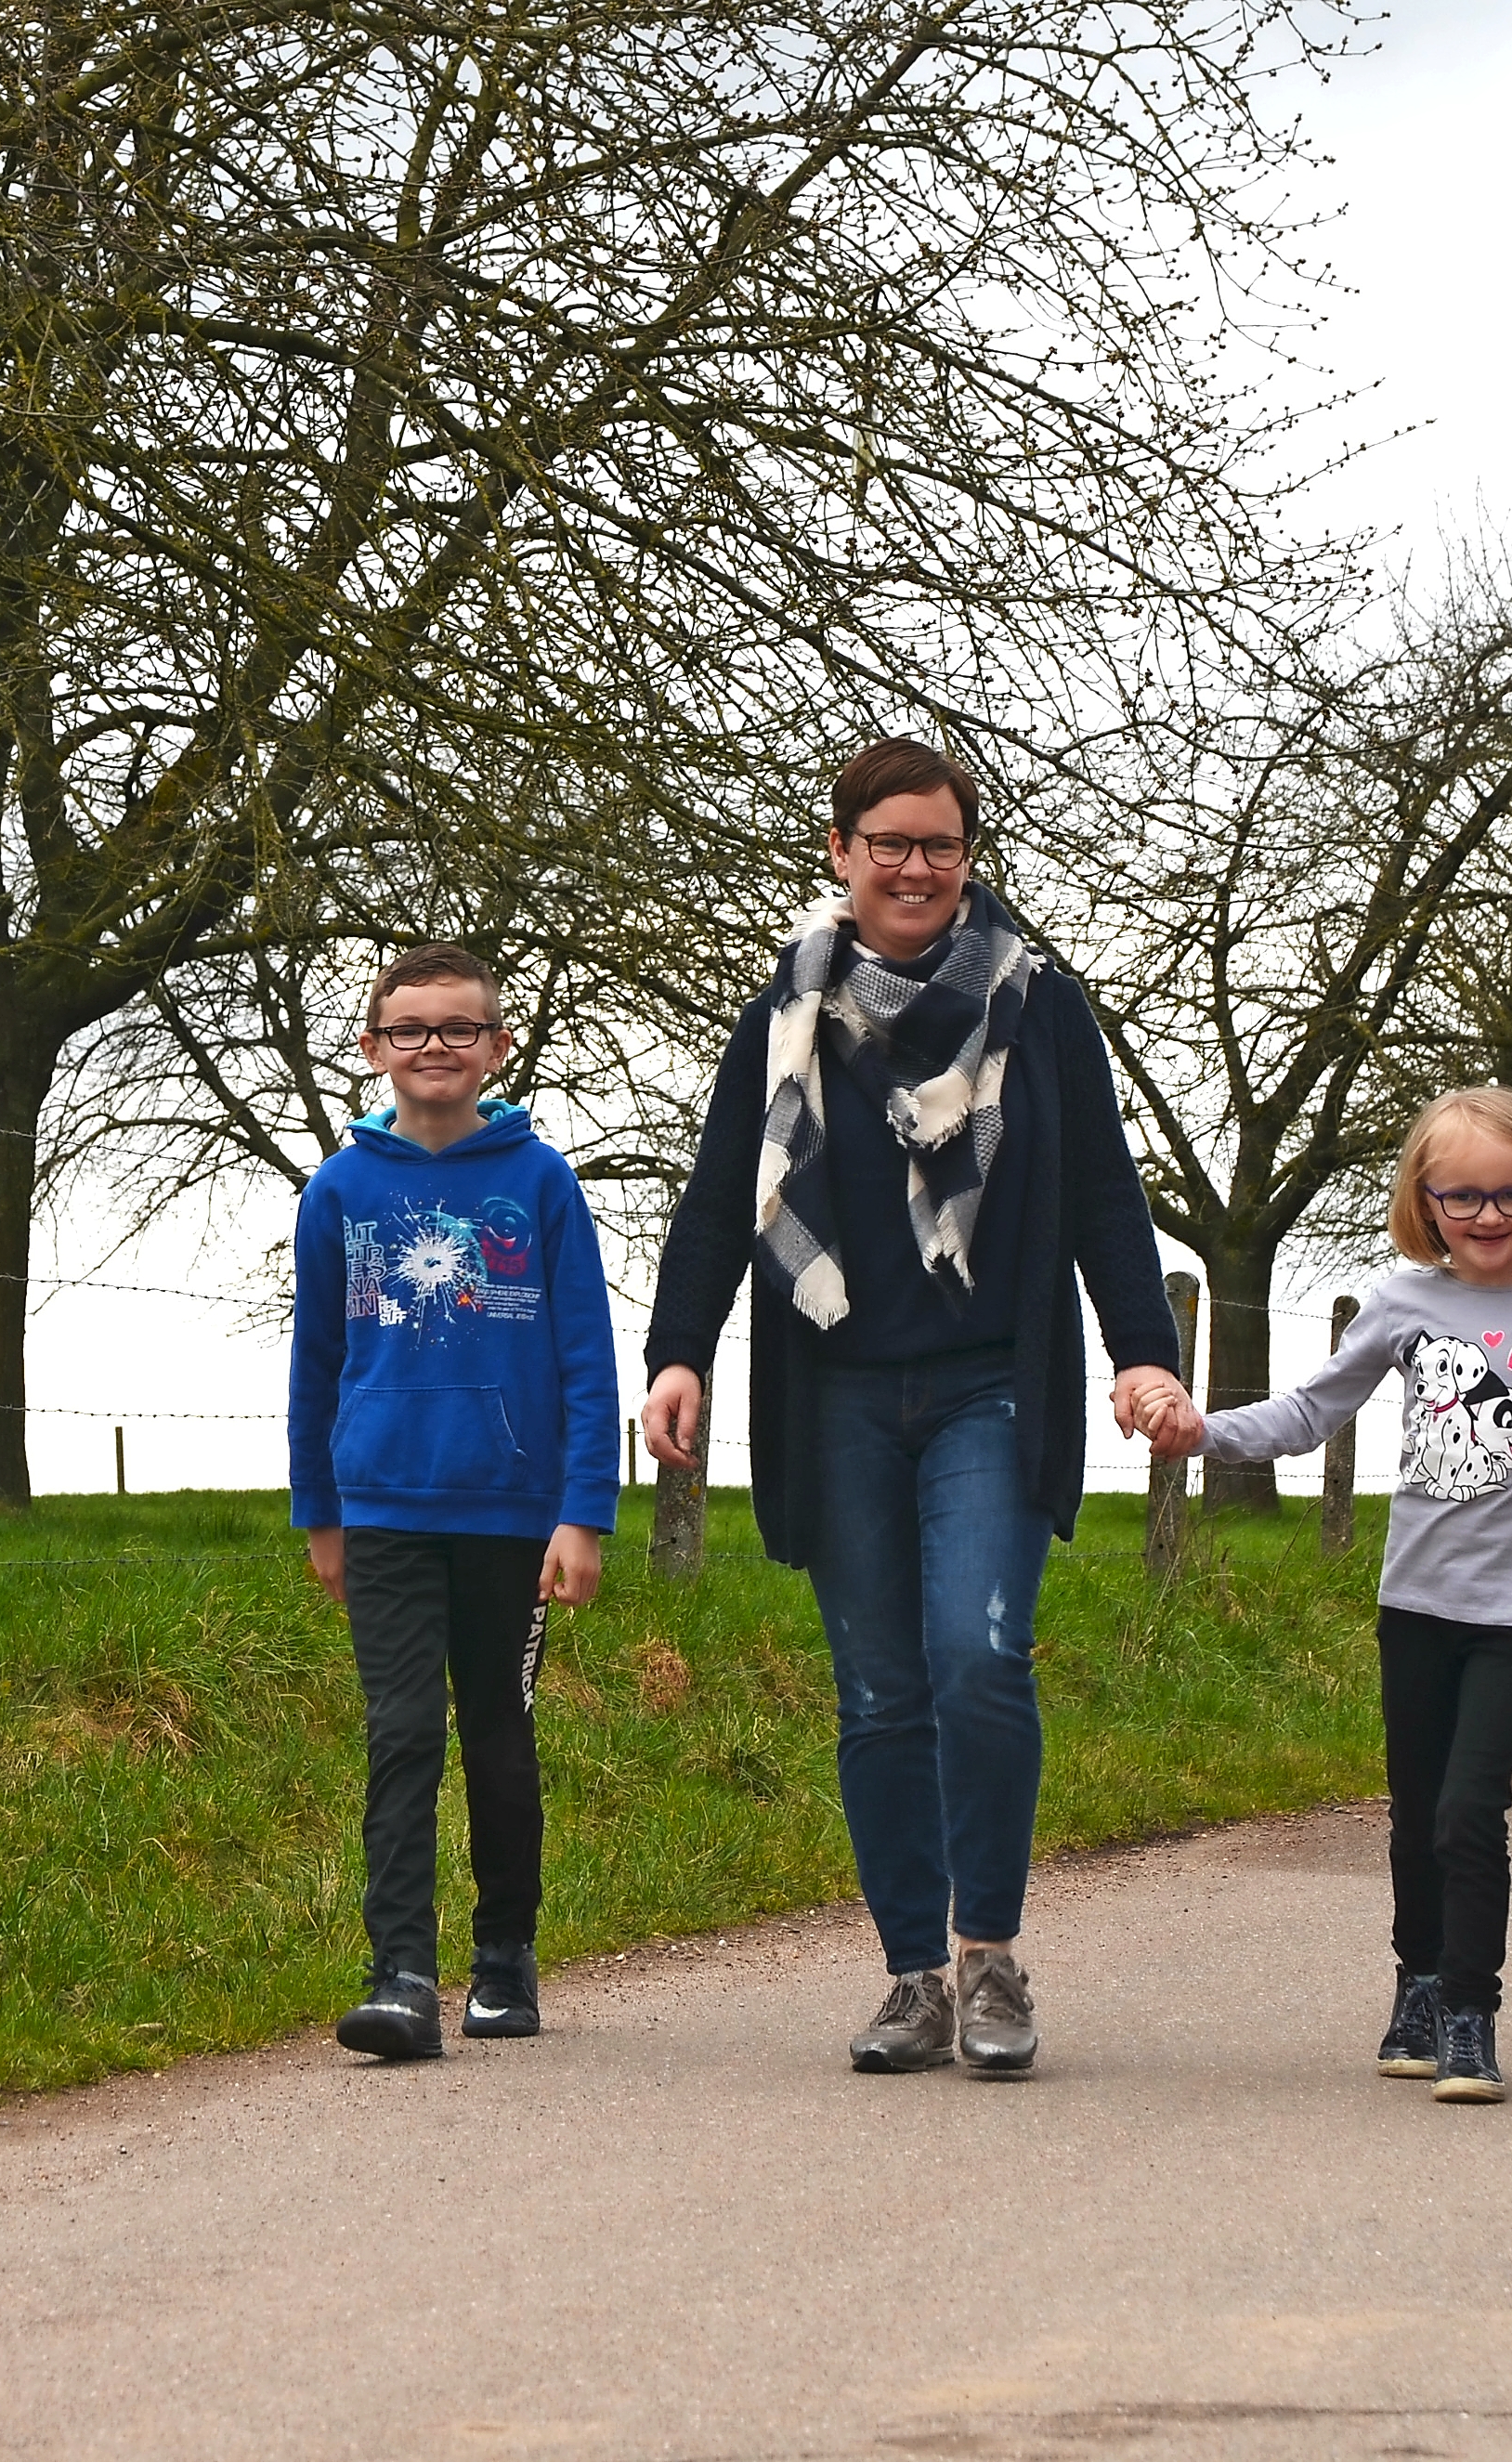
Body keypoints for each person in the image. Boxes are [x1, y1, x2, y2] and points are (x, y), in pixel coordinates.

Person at [642, 737, 1186, 2078]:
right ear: (840, 852)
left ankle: (988, 1956)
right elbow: (721, 1194)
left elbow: (1105, 1194)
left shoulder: (1038, 1004)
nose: (912, 865)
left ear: (966, 857)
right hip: (831, 1385)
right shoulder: (785, 1011)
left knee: (975, 1655)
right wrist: (677, 1352)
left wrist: (1141, 1349)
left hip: (989, 1379)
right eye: (886, 840)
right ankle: (909, 1976)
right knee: (880, 1690)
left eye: (937, 843)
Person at [1145, 1088, 1512, 2105]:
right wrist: (1205, 1430)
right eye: (1461, 1194)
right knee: (1417, 1808)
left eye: (1511, 1193)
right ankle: (1419, 1982)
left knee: (1474, 1806)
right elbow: (1312, 1409)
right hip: (1418, 1600)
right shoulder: (1400, 1301)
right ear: (1425, 1200)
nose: (1486, 1215)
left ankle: (1473, 2011)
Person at [291, 942, 620, 2062]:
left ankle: (505, 1954)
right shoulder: (340, 1191)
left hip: (512, 1512)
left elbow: (586, 1355)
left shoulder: (540, 1182)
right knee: (399, 1733)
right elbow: (316, 1360)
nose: (435, 1046)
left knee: (496, 1731)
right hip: (381, 1505)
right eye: (411, 1029)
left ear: (498, 1044)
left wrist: (583, 1512)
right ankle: (401, 1973)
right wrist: (318, 1510)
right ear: (375, 1047)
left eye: (459, 1027)